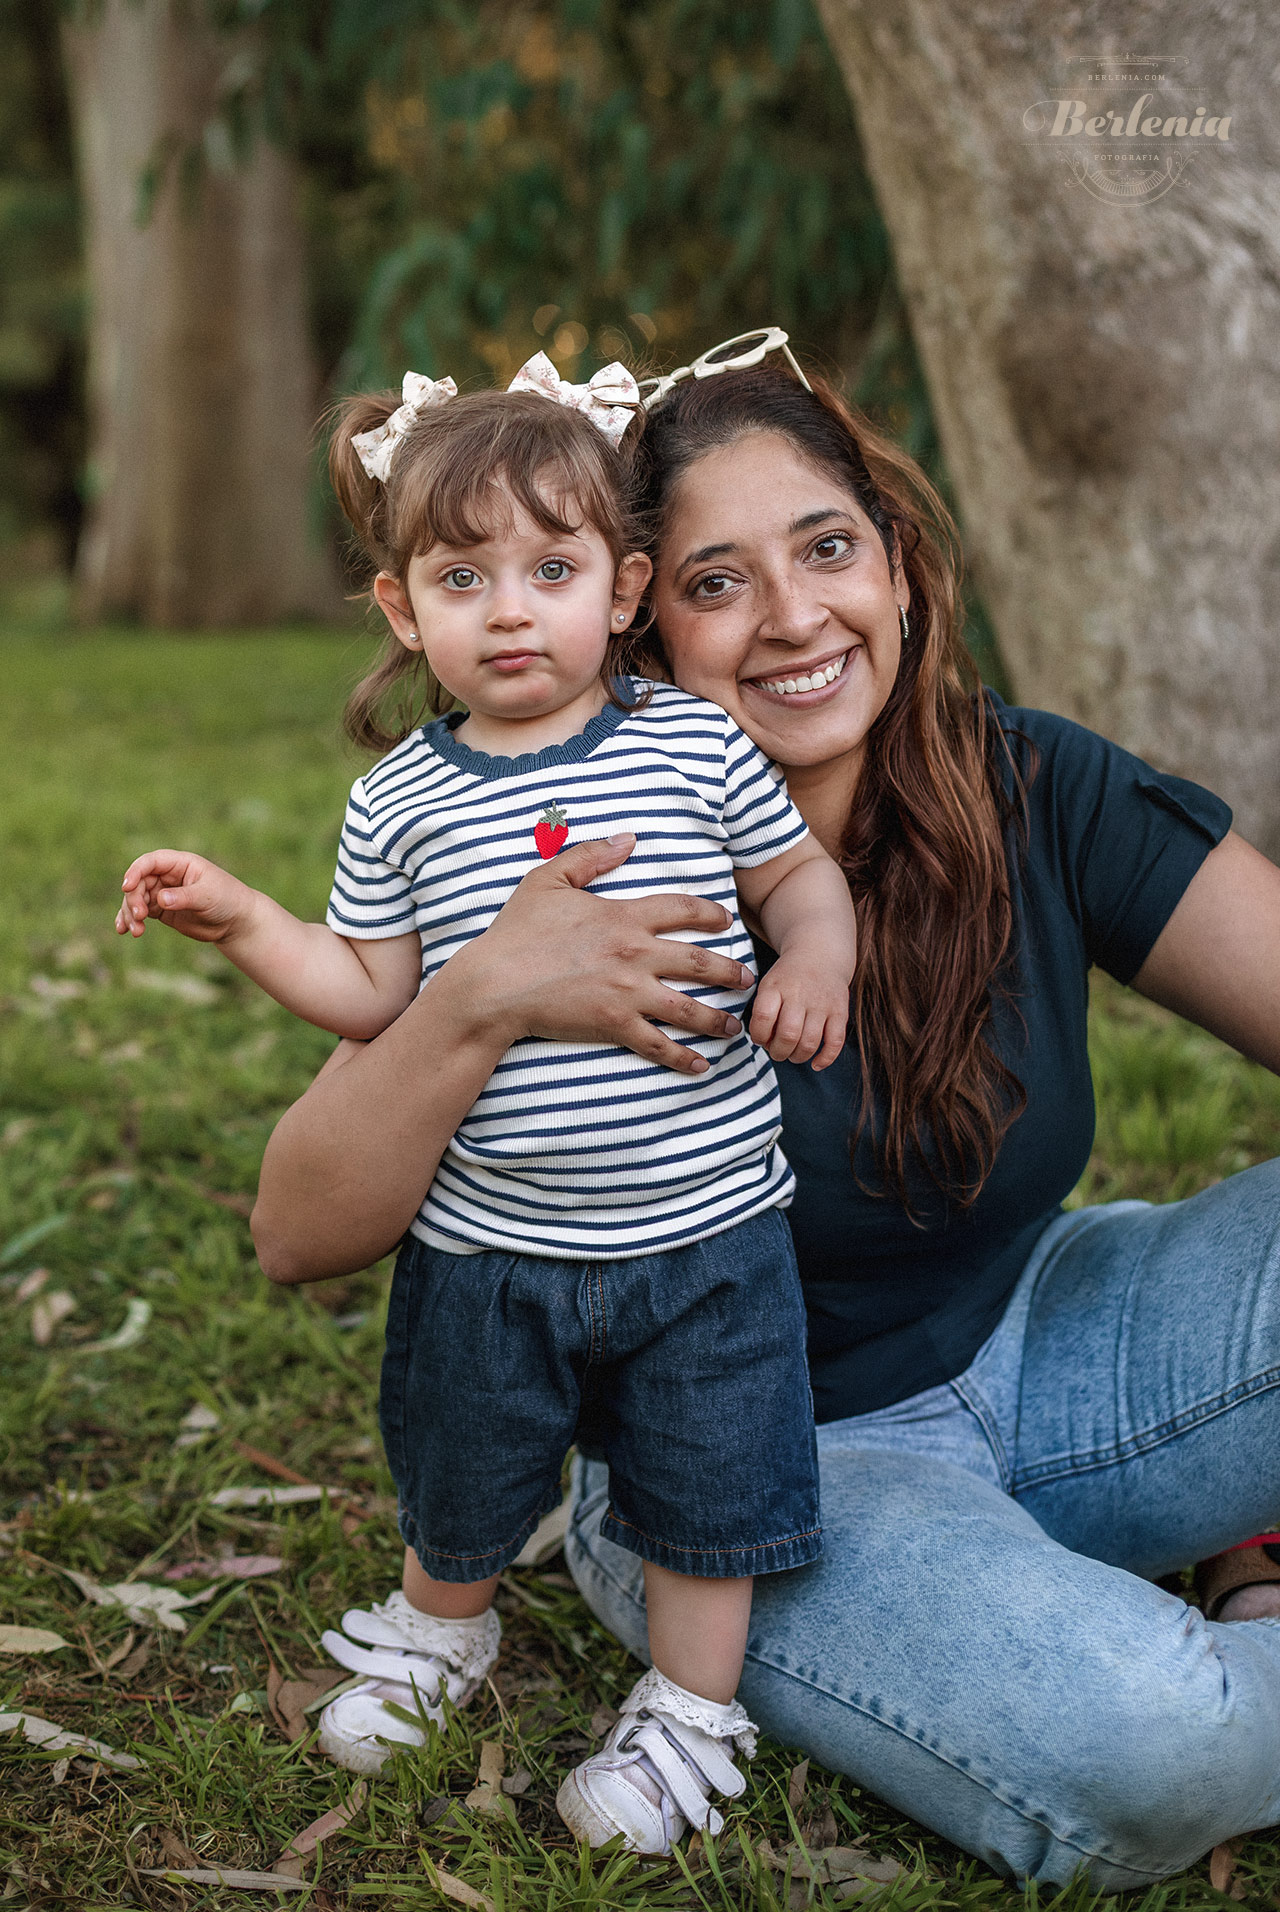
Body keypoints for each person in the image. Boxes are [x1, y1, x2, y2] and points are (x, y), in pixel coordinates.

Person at [249, 334, 1280, 1890]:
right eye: (721, 583)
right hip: (744, 1472)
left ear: (901, 568)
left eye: (827, 549)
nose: (797, 618)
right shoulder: (566, 845)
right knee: (1145, 1746)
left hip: (1062, 1340)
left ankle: (1208, 1542)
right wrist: (488, 994)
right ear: (639, 618)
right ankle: (1152, 1613)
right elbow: (298, 1229)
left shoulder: (1033, 788)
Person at [114, 352, 859, 1851]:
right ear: (404, 611)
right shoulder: (404, 798)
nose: (511, 608)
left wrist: (817, 961)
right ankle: (442, 1624)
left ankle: (688, 1712)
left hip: (706, 1234)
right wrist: (250, 921)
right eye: (464, 576)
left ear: (626, 588)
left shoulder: (695, 743)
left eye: (551, 568)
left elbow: (797, 874)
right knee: (460, 1457)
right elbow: (377, 997)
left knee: (712, 1484)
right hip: (487, 1241)